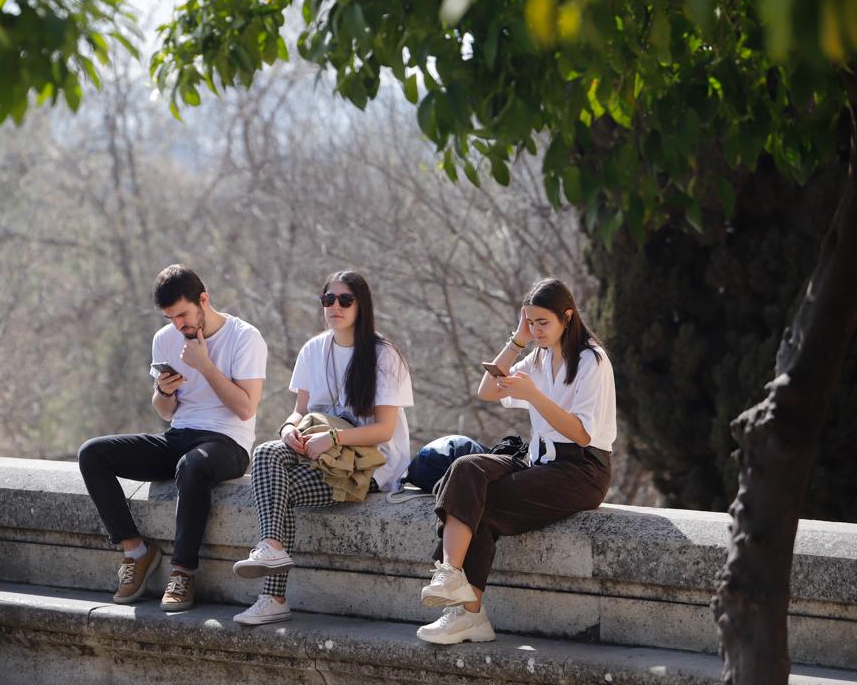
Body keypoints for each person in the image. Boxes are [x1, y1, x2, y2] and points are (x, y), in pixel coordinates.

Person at [415, 277, 616, 645]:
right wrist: (517, 341)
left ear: (567, 317)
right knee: (465, 469)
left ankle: (468, 614)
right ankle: (449, 575)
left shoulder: (591, 360)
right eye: (530, 322)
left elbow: (583, 434)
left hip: (582, 469)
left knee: (483, 505)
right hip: (538, 460)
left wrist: (534, 395)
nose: (537, 330)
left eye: (543, 322)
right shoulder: (536, 356)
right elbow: (487, 390)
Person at [77, 265, 267, 612]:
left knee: (190, 467)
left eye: (182, 314)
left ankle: (182, 572)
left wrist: (205, 365)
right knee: (92, 454)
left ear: (203, 300)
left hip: (227, 442)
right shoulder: (164, 339)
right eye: (170, 317)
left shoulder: (244, 336)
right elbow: (165, 412)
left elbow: (245, 408)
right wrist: (163, 392)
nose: (178, 325)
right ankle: (135, 550)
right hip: (178, 434)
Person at [231, 270, 413, 626]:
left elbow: (384, 429)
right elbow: (300, 411)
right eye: (329, 300)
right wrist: (288, 430)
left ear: (362, 306)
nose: (336, 307)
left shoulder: (383, 355)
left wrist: (332, 438)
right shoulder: (314, 349)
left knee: (278, 492)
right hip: (321, 452)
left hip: (368, 466)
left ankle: (273, 596)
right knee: (267, 452)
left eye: (346, 300)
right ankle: (272, 547)